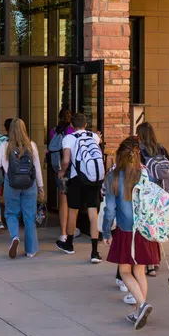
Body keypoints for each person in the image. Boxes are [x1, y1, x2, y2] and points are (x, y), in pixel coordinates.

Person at [102, 137, 159, 330]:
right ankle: (138, 312)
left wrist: (106, 231)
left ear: (120, 155)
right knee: (139, 270)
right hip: (144, 229)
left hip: (126, 230)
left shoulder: (113, 176)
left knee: (125, 271)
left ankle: (142, 305)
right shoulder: (145, 173)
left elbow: (109, 209)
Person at [0, 118, 45, 259]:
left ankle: (15, 237)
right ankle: (30, 251)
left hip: (11, 184)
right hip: (29, 185)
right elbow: (37, 168)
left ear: (10, 130)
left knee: (11, 214)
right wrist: (41, 187)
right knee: (29, 217)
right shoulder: (31, 145)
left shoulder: (6, 145)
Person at [56, 113, 104, 263]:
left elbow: (66, 160)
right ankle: (95, 252)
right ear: (85, 124)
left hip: (77, 179)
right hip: (93, 179)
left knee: (73, 211)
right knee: (93, 212)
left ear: (71, 125)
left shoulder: (68, 138)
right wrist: (98, 137)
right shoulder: (93, 136)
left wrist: (62, 171)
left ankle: (69, 243)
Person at [136, 121, 169, 277]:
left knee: (145, 228)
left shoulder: (139, 151)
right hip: (161, 194)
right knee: (156, 227)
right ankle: (155, 262)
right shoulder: (161, 148)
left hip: (146, 194)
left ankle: (147, 264)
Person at [47, 108, 80, 245]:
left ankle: (63, 233)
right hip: (71, 170)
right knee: (73, 202)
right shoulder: (73, 132)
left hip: (58, 170)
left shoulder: (53, 131)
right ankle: (72, 229)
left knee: (63, 201)